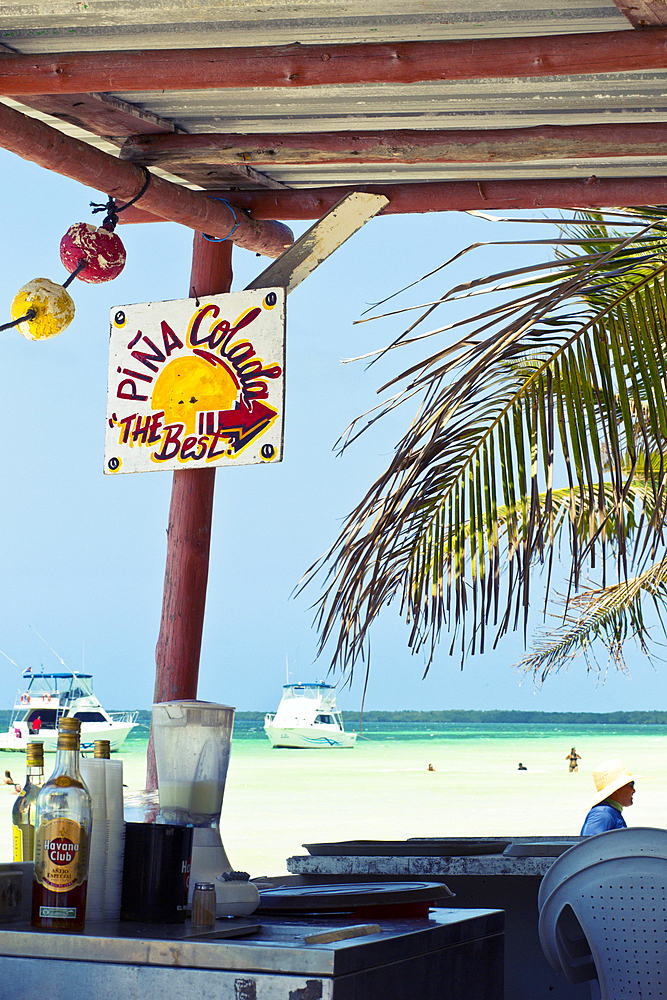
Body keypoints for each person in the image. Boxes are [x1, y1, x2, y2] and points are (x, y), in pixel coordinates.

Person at [580, 759, 637, 836]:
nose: (634, 790)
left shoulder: (611, 811)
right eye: (631, 784)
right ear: (618, 788)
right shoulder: (602, 813)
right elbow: (589, 846)